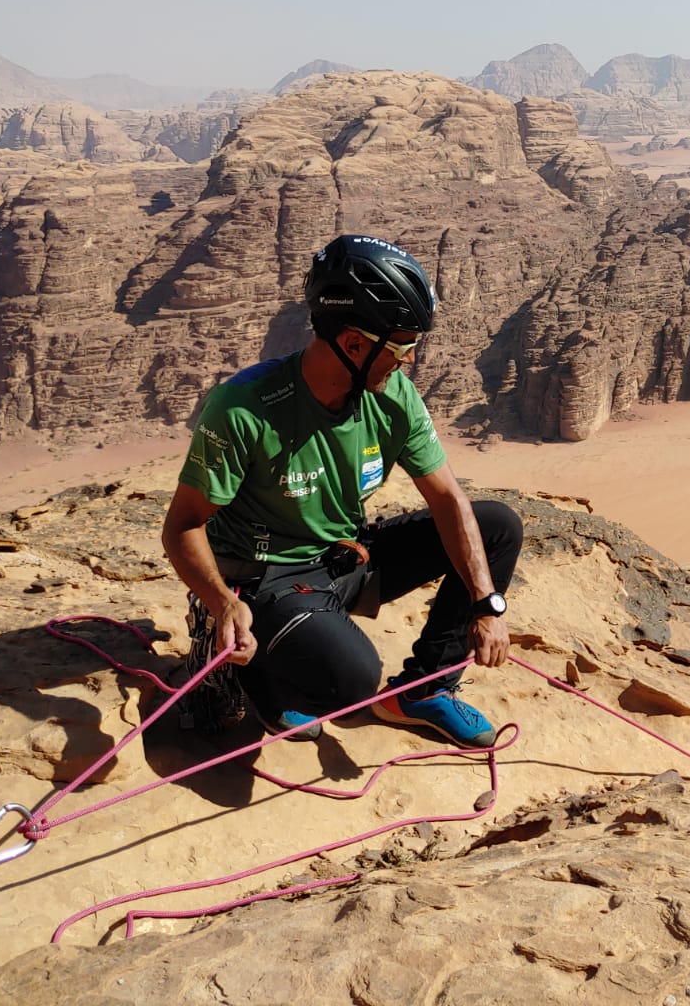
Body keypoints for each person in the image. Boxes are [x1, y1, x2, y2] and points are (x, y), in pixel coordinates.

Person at [161, 234, 522, 748]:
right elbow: (182, 526)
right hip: (269, 578)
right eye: (403, 347)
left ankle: (425, 690)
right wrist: (220, 603)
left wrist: (487, 605)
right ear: (354, 344)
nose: (411, 361)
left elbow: (447, 500)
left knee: (497, 527)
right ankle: (256, 669)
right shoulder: (244, 407)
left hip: (346, 558)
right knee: (351, 680)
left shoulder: (393, 394)